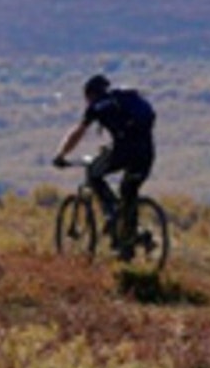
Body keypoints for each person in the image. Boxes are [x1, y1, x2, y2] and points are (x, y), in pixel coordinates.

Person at [53, 74, 156, 255]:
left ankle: (111, 214)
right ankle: (128, 242)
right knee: (129, 192)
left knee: (93, 172)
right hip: (146, 152)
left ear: (91, 94)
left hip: (124, 151)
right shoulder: (124, 98)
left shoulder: (97, 106)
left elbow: (77, 134)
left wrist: (61, 155)